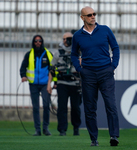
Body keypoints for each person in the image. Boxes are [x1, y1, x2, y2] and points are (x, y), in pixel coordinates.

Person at [71, 6, 120, 146]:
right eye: (89, 15)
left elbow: (115, 47)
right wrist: (80, 69)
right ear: (83, 18)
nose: (93, 16)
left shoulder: (105, 30)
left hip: (106, 72)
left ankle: (114, 137)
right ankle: (94, 139)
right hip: (88, 74)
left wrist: (113, 66)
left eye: (94, 14)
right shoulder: (77, 36)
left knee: (111, 105)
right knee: (90, 108)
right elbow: (74, 54)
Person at [47, 32, 82, 136]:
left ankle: (76, 128)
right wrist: (49, 83)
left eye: (67, 39)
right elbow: (52, 69)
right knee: (62, 107)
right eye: (63, 39)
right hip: (62, 83)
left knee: (75, 107)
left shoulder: (78, 52)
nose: (64, 41)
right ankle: (62, 130)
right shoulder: (58, 53)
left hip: (75, 83)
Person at [20, 35, 53, 136]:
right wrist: (23, 76)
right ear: (33, 42)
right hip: (33, 84)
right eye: (36, 41)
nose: (38, 43)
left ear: (42, 42)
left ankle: (45, 128)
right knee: (35, 107)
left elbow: (53, 69)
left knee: (46, 106)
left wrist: (53, 83)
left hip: (45, 84)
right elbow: (23, 67)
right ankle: (37, 129)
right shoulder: (29, 54)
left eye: (39, 41)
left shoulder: (48, 54)